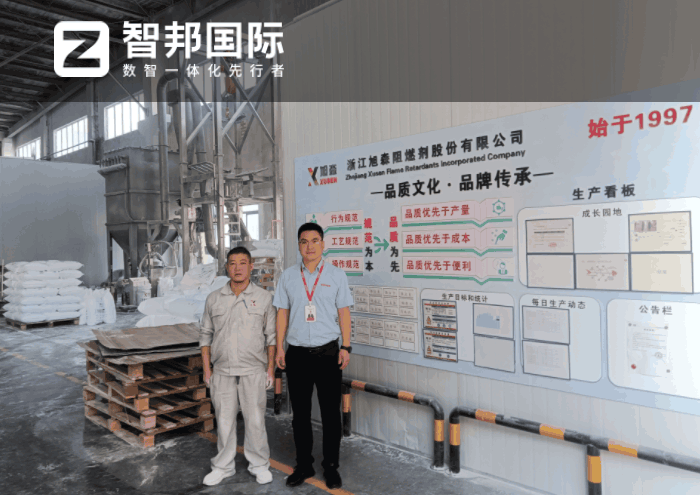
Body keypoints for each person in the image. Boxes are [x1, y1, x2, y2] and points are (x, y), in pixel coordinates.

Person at [273, 222, 354, 490]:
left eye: (314, 240)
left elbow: (344, 312)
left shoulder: (336, 275)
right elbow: (282, 313)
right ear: (299, 245)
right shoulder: (288, 276)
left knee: (331, 414)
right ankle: (304, 465)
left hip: (328, 353)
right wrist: (280, 347)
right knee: (300, 415)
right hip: (297, 354)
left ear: (323, 244)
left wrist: (346, 346)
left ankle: (331, 466)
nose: (309, 246)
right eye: (304, 241)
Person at [199, 247, 277, 486]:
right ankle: (223, 466)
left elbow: (271, 338)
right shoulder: (214, 298)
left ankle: (259, 464)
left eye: (243, 263)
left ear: (251, 267)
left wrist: (270, 370)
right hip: (222, 371)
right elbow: (205, 336)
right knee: (224, 421)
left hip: (253, 370)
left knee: (255, 420)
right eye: (232, 263)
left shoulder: (264, 298)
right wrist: (207, 369)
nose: (237, 268)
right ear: (227, 268)